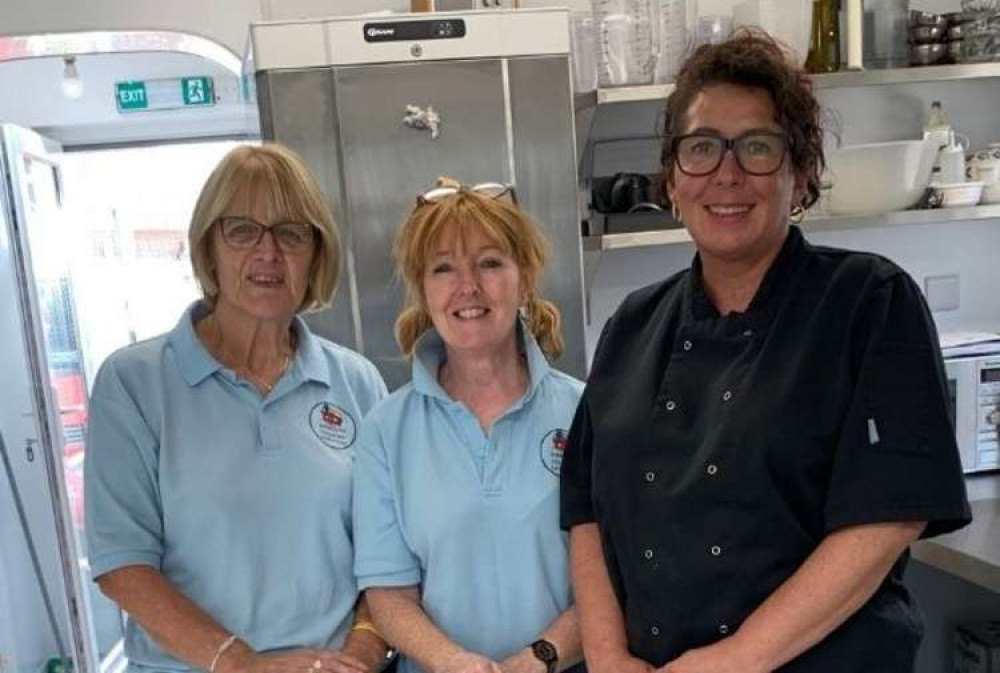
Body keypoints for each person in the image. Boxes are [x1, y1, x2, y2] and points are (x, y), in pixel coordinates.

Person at [560, 30, 971, 673]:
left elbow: (886, 520)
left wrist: (729, 663)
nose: (726, 173)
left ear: (801, 174)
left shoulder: (868, 302)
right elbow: (585, 509)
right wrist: (610, 657)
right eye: (701, 149)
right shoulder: (633, 324)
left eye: (758, 147)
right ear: (671, 179)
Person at [84, 144, 390, 673]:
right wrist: (241, 664)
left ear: (316, 253)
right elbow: (121, 563)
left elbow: (389, 551)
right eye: (242, 230)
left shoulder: (356, 382)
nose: (268, 252)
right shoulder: (134, 382)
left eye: (291, 233)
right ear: (209, 248)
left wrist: (362, 653)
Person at [352, 180, 585, 673]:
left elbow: (611, 578)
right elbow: (388, 590)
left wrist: (537, 660)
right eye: (443, 268)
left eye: (490, 262)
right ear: (424, 290)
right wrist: (455, 662)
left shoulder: (585, 411)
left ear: (525, 278)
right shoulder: (386, 430)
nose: (468, 287)